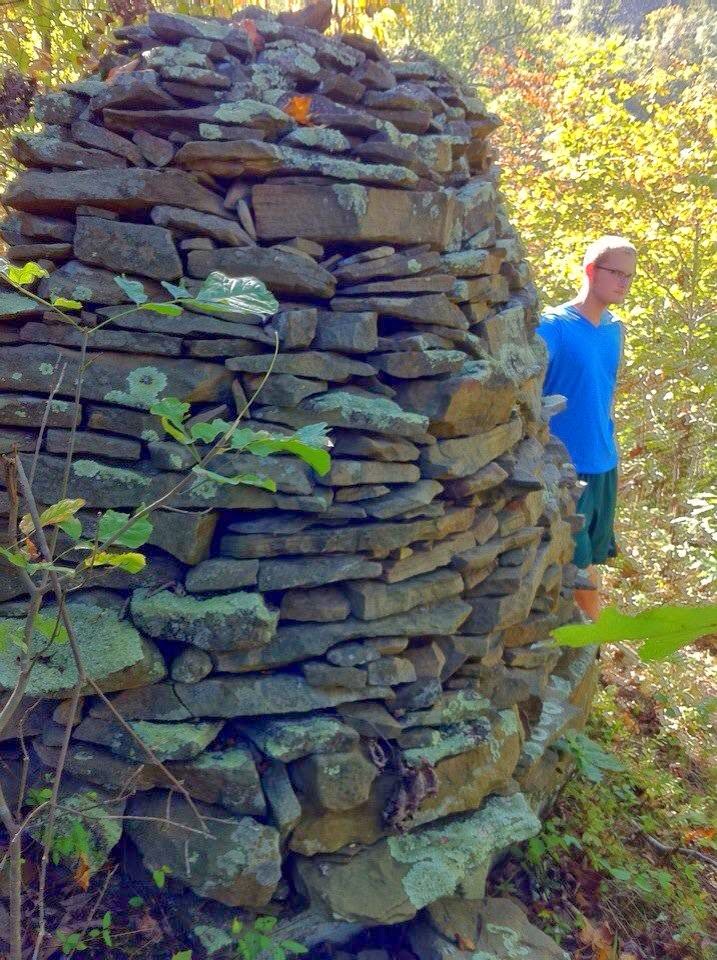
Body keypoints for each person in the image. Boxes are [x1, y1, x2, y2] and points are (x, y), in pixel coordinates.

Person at [536, 236, 636, 621]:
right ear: (591, 271)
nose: (623, 283)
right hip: (566, 471)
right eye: (615, 273)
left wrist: (611, 449)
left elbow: (605, 395)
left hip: (603, 465)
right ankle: (592, 652)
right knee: (580, 575)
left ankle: (582, 648)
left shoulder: (615, 329)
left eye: (629, 276)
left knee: (588, 563)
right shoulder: (554, 327)